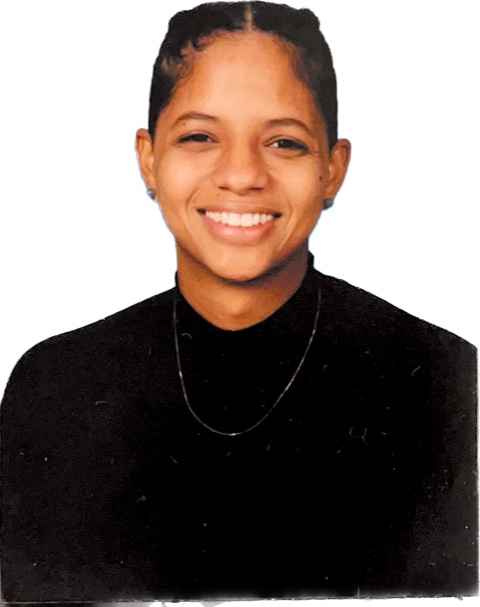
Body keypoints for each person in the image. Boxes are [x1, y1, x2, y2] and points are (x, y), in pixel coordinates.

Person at [0, 1, 476, 602]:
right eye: (200, 136)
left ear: (333, 167)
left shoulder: (447, 384)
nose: (243, 174)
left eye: (284, 142)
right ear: (149, 158)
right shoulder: (56, 387)